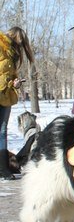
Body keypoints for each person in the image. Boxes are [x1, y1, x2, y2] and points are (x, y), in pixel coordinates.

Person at [0, 27, 34, 180]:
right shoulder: (1, 45)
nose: (19, 48)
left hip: (6, 96)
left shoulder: (12, 54)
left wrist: (15, 83)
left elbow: (9, 75)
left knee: (2, 132)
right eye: (18, 43)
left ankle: (3, 168)